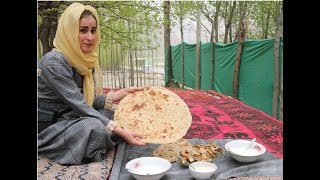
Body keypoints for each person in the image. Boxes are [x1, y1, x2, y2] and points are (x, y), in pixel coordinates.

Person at [38, 2, 146, 165]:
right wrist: (115, 129)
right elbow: (80, 104)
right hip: (49, 128)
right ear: (69, 31)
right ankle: (55, 147)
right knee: (94, 128)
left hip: (72, 116)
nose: (90, 37)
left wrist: (121, 94)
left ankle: (104, 139)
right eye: (83, 30)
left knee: (112, 115)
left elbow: (87, 100)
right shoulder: (54, 62)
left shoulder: (83, 60)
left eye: (93, 30)